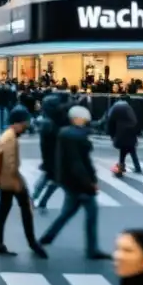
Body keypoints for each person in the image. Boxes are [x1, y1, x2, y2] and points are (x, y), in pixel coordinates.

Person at [38, 106, 110, 259]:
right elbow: (79, 163)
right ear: (77, 118)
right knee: (91, 214)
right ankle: (92, 249)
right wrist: (90, 183)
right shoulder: (75, 137)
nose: (86, 121)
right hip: (79, 183)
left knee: (67, 213)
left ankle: (47, 237)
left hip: (69, 181)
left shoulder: (66, 134)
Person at [0, 107, 47, 258]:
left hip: (7, 180)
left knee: (3, 210)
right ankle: (32, 243)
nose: (26, 127)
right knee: (25, 209)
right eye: (24, 124)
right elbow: (10, 165)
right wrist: (18, 184)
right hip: (11, 181)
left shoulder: (9, 135)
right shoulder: (10, 138)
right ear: (16, 123)